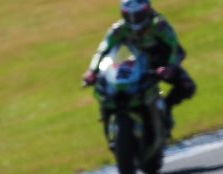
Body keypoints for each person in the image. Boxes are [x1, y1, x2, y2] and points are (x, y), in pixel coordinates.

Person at [82, 0, 196, 130]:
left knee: (187, 86)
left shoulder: (159, 25)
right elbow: (103, 49)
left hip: (162, 64)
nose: (133, 19)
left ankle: (165, 108)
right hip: (137, 64)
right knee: (106, 86)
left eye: (138, 15)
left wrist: (169, 67)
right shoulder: (119, 29)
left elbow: (175, 48)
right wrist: (92, 70)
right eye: (128, 15)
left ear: (147, 10)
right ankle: (107, 114)